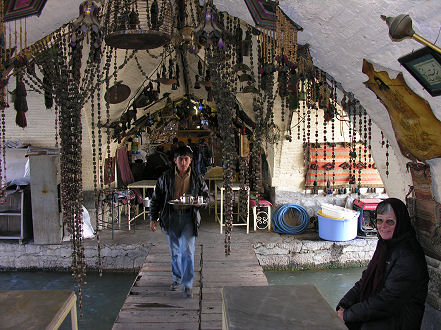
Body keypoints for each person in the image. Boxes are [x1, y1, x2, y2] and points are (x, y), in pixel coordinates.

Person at [336, 198, 429, 330]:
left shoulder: (409, 255)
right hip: (383, 313)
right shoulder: (385, 246)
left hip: (399, 320)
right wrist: (344, 305)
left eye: (390, 222)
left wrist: (348, 315)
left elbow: (388, 301)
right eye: (380, 220)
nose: (383, 226)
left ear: (400, 223)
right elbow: (364, 281)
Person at [149, 145, 209, 298]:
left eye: (186, 159)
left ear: (190, 161)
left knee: (188, 252)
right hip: (171, 217)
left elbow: (208, 197)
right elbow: (156, 199)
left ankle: (187, 284)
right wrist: (153, 218)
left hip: (189, 218)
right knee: (175, 252)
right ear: (174, 160)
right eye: (180, 159)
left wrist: (200, 202)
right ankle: (177, 278)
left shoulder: (197, 178)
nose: (183, 162)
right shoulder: (165, 177)